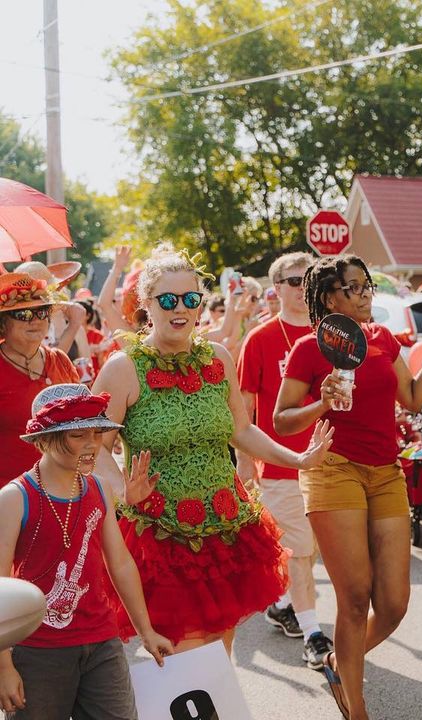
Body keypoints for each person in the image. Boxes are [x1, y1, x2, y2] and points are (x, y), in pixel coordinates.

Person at [89, 246, 334, 655]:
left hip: (224, 527)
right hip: (159, 533)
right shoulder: (123, 368)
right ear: (148, 304)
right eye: (168, 299)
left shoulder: (217, 358)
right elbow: (95, 449)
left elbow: (241, 429)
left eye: (191, 298)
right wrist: (121, 492)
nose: (180, 308)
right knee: (184, 653)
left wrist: (298, 460)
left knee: (220, 649)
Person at [274, 253, 422, 720]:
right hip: (332, 470)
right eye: (353, 288)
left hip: (385, 472)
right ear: (329, 297)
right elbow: (281, 419)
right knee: (354, 599)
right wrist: (320, 402)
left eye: (367, 285)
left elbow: (413, 400)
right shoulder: (309, 349)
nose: (365, 294)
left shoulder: (382, 338)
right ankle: (356, 709)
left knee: (392, 605)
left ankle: (339, 660)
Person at [0, 384, 174, 718]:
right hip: (37, 650)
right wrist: (4, 664)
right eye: (79, 436)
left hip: (101, 641)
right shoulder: (14, 497)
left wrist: (146, 631)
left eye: (97, 433)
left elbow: (120, 562)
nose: (93, 445)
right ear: (43, 441)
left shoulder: (99, 487)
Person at [236, 252, 332, 669]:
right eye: (295, 281)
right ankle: (313, 632)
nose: (303, 287)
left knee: (311, 549)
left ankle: (282, 602)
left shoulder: (333, 334)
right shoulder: (259, 339)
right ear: (276, 289)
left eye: (309, 280)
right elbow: (243, 409)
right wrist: (243, 463)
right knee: (298, 551)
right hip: (281, 464)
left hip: (333, 462)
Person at [0, 267, 82, 485]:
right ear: (3, 322)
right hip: (6, 497)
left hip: (61, 492)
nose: (35, 320)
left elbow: (82, 427)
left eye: (42, 311)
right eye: (24, 314)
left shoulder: (61, 361)